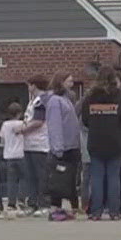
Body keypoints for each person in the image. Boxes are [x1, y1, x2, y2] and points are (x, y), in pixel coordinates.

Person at [79, 77, 121, 221]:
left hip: (95, 140)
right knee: (114, 177)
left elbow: (85, 119)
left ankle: (96, 212)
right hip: (115, 140)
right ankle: (114, 211)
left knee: (96, 177)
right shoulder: (119, 97)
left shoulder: (90, 98)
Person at [45, 73, 83, 221]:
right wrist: (58, 147)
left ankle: (73, 207)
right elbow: (55, 124)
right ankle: (55, 207)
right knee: (59, 179)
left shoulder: (66, 99)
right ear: (61, 82)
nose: (71, 84)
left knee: (70, 178)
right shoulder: (55, 101)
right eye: (69, 81)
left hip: (72, 145)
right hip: (63, 147)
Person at [17, 76, 52, 217]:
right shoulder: (32, 101)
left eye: (29, 85)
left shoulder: (41, 100)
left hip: (40, 144)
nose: (28, 88)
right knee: (30, 176)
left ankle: (44, 204)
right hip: (29, 144)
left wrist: (22, 130)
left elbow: (38, 121)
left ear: (34, 85)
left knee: (41, 176)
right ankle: (32, 203)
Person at [0, 100, 27, 212]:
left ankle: (11, 203)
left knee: (11, 180)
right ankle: (21, 199)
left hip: (9, 155)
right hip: (21, 154)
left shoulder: (5, 125)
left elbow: (2, 140)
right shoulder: (22, 124)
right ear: (19, 113)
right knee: (24, 178)